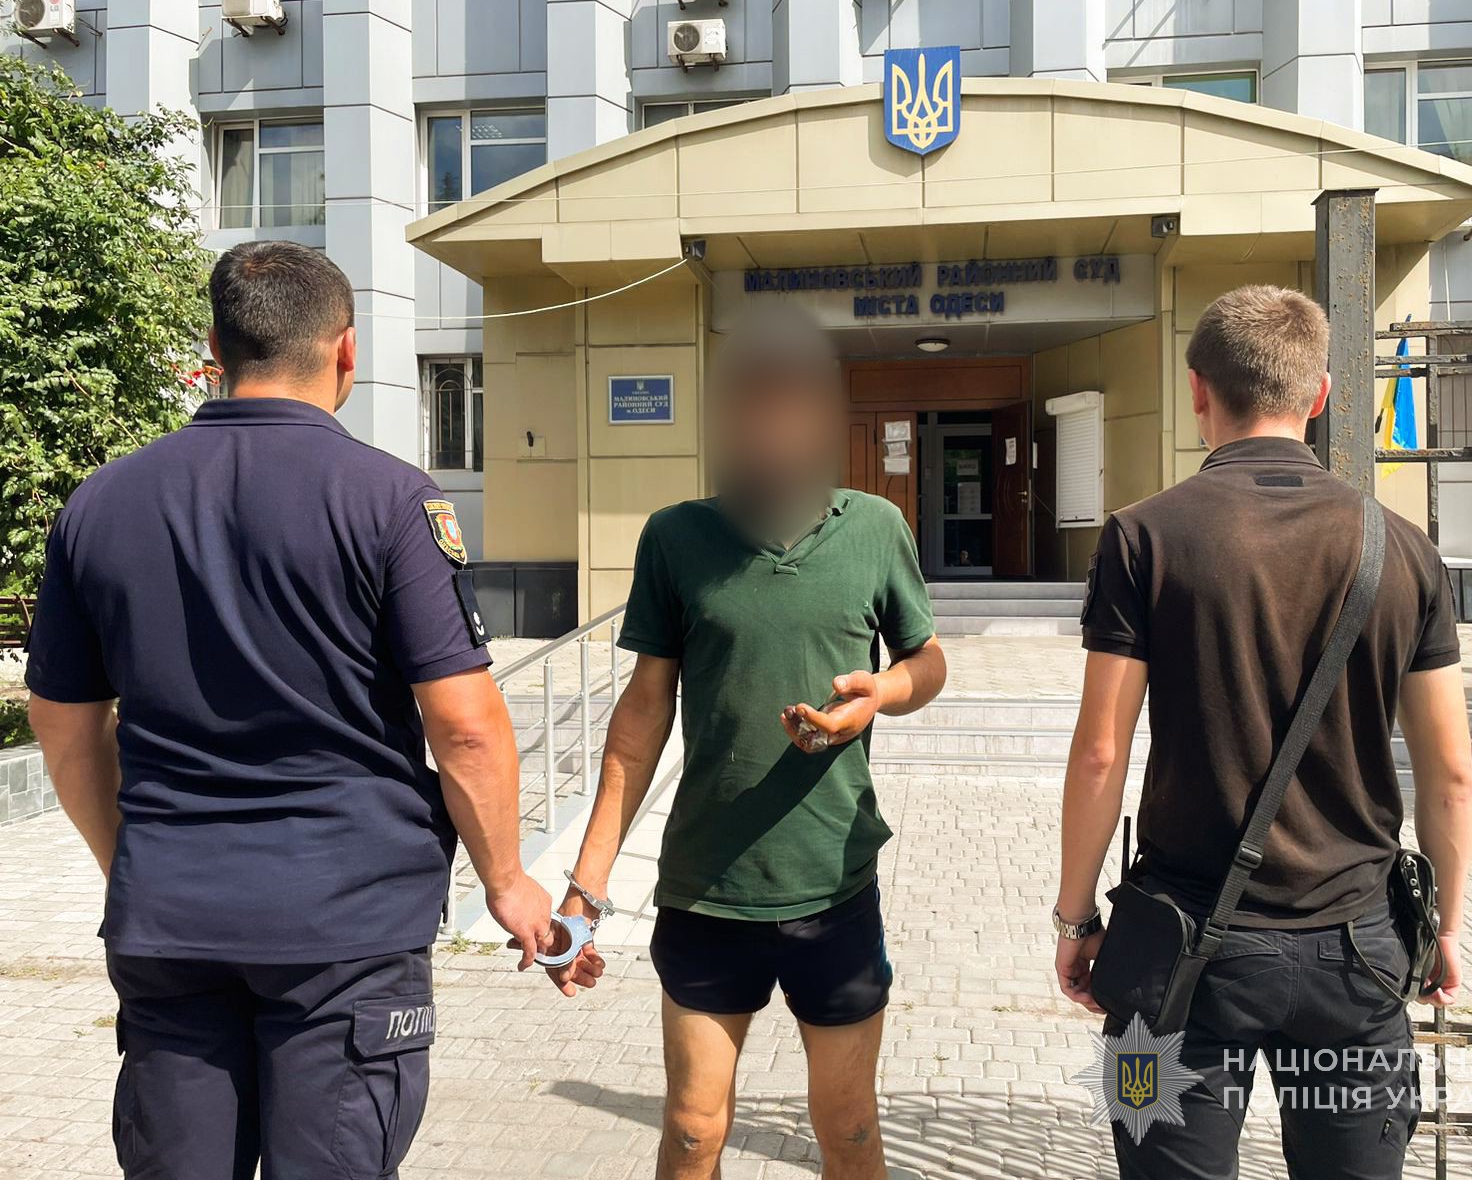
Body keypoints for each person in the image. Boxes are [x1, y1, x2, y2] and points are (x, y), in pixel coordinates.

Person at [24, 241, 558, 1180]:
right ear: (347, 349)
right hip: (347, 925)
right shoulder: (390, 500)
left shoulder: (101, 502)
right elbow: (466, 725)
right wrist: (508, 882)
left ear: (215, 347)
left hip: (172, 918)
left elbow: (64, 724)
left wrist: (133, 862)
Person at [1052, 285, 1472, 1179]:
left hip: (1172, 960)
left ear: (1198, 390)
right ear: (1320, 394)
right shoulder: (1406, 549)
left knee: (1153, 1156)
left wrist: (1077, 915)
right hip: (1358, 957)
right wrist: (1441, 928)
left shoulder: (1139, 538)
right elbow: (1450, 776)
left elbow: (1100, 752)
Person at [545, 306, 948, 1180]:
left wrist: (879, 694)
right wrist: (585, 890)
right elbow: (640, 721)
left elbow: (927, 662)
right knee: (693, 1131)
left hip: (833, 886)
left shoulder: (876, 528)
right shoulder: (677, 538)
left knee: (849, 1131)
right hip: (706, 891)